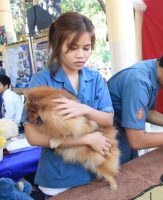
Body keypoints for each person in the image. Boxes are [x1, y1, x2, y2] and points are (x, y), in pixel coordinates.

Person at [22, 12, 113, 198]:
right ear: (57, 45)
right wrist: (87, 139)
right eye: (72, 48)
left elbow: (108, 119)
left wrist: (83, 108)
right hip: (59, 179)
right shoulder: (41, 81)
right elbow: (33, 136)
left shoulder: (95, 78)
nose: (81, 55)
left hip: (95, 173)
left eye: (86, 48)